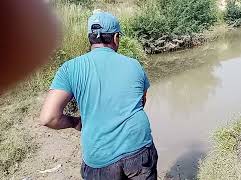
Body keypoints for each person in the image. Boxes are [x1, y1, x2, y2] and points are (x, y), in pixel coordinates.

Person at [40, 11, 157, 180]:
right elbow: (142, 101)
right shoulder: (134, 65)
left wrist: (76, 122)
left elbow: (48, 118)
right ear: (116, 38)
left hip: (100, 158)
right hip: (139, 149)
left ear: (90, 38)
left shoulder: (70, 68)